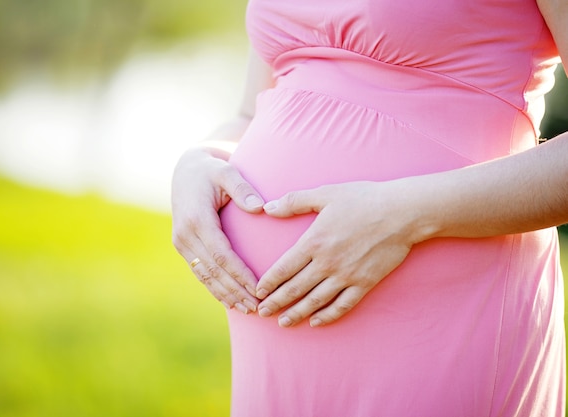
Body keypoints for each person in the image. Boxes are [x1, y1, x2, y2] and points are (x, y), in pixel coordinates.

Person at [171, 0, 568, 416]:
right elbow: (250, 112)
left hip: (442, 312)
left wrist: (402, 216)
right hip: (274, 337)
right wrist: (201, 158)